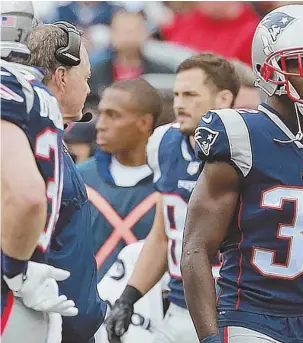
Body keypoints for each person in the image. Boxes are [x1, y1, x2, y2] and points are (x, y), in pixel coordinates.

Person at [181, 5, 303, 343]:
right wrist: (210, 337)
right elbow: (196, 248)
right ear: (270, 69)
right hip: (251, 321)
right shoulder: (241, 135)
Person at [104, 53, 239, 343]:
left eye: (190, 95)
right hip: (180, 306)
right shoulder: (163, 143)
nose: (179, 104)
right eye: (177, 94)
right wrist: (129, 297)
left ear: (224, 99)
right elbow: (164, 234)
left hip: (233, 310)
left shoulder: (247, 149)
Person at [1, 3, 78, 342]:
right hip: (28, 279)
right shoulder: (36, 90)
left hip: (11, 279)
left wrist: (14, 271)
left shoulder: (9, 88)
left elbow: (27, 195)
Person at [27, 21, 107, 342]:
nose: (88, 89)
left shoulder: (43, 139)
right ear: (61, 78)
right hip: (38, 322)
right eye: (85, 78)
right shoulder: (32, 142)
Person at [78, 78, 161, 278]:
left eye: (113, 115)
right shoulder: (79, 178)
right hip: (87, 306)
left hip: (151, 305)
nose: (100, 125)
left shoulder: (170, 184)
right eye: (101, 113)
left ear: (144, 122)